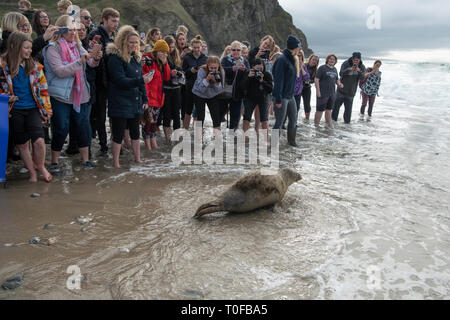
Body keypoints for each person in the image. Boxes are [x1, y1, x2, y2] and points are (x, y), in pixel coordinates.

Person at [43, 15, 101, 171]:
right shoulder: (52, 48)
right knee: (61, 127)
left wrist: (95, 58)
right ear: (61, 29)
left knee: (83, 126)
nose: (72, 32)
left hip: (81, 93)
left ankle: (85, 160)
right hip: (60, 95)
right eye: (69, 29)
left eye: (74, 29)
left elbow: (89, 63)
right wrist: (80, 61)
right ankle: (54, 160)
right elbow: (60, 71)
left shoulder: (77, 45)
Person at [0, 31, 52, 182]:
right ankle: (32, 173)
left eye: (30, 48)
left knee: (39, 141)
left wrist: (47, 109)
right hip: (14, 110)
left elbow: (43, 89)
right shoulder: (3, 66)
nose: (30, 51)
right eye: (26, 48)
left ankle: (41, 167)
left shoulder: (34, 65)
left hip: (33, 108)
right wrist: (6, 97)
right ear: (14, 47)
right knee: (22, 145)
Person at [106, 25, 150, 168]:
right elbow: (119, 80)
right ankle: (116, 163)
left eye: (136, 42)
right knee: (118, 134)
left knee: (136, 133)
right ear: (123, 41)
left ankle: (137, 159)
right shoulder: (115, 58)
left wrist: (145, 98)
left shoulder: (136, 58)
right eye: (131, 42)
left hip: (135, 100)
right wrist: (140, 81)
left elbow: (141, 80)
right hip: (119, 100)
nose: (134, 45)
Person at [89, 7, 120, 155]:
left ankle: (113, 143)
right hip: (98, 81)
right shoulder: (96, 35)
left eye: (117, 21)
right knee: (98, 116)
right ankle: (102, 146)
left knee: (112, 114)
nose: (115, 24)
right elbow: (93, 59)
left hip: (111, 81)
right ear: (104, 19)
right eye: (113, 21)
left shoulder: (114, 36)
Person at [272, 35, 302, 147]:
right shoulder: (282, 60)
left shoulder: (292, 59)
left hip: (290, 96)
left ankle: (292, 143)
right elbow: (278, 81)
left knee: (294, 120)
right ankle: (274, 146)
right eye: (299, 47)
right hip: (281, 96)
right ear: (294, 47)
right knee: (279, 122)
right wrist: (278, 100)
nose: (300, 49)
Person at [142, 39, 171, 149]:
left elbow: (167, 77)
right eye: (162, 52)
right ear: (156, 51)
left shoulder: (161, 64)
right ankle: (148, 146)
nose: (164, 54)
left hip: (158, 99)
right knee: (147, 123)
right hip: (149, 98)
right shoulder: (148, 60)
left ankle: (153, 145)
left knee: (153, 123)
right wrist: (145, 98)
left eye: (166, 52)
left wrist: (165, 63)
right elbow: (145, 78)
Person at [240, 58, 273, 139]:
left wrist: (262, 81)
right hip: (250, 98)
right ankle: (245, 140)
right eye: (257, 69)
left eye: (261, 68)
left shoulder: (267, 74)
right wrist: (248, 77)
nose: (259, 71)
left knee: (264, 120)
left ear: (263, 67)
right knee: (246, 119)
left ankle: (266, 141)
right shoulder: (248, 73)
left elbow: (270, 89)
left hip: (263, 98)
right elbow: (242, 87)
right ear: (253, 67)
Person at [220, 41, 249, 130]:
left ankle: (232, 137)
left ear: (241, 51)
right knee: (220, 113)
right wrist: (231, 69)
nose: (236, 52)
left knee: (235, 115)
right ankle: (217, 136)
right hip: (225, 91)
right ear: (230, 50)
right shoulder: (225, 59)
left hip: (238, 92)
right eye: (234, 50)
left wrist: (245, 70)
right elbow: (220, 70)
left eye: (238, 50)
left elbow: (249, 74)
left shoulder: (244, 61)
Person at [192, 56, 225, 130]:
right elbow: (201, 89)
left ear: (218, 66)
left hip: (213, 95)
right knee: (200, 117)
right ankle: (198, 138)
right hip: (199, 94)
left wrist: (216, 82)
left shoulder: (222, 71)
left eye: (215, 68)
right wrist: (207, 79)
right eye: (211, 68)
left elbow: (219, 90)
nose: (213, 70)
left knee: (216, 117)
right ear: (207, 66)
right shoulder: (202, 70)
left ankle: (218, 139)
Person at [331, 52, 366, 124]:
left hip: (351, 93)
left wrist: (359, 71)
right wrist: (349, 69)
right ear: (352, 59)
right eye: (354, 60)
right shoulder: (346, 63)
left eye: (357, 60)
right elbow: (340, 73)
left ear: (359, 60)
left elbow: (363, 79)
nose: (355, 61)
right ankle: (332, 125)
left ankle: (346, 128)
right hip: (341, 91)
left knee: (348, 112)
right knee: (335, 109)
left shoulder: (362, 66)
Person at [182, 36, 207, 129]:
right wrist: (190, 71)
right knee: (188, 110)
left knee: (200, 112)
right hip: (190, 87)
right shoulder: (187, 58)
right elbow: (183, 72)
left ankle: (199, 133)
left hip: (201, 88)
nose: (196, 49)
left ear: (201, 47)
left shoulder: (205, 58)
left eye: (198, 47)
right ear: (191, 47)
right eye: (195, 47)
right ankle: (185, 131)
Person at [162, 35, 183, 142]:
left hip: (176, 88)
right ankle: (167, 138)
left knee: (176, 114)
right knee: (167, 114)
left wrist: (179, 73)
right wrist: (170, 73)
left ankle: (176, 137)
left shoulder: (176, 56)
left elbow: (180, 69)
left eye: (173, 47)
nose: (171, 49)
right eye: (169, 47)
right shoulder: (162, 57)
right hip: (166, 88)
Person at [281, 49, 310, 128]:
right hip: (289, 90)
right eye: (297, 54)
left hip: (298, 91)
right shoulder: (290, 64)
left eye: (300, 55)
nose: (298, 56)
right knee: (285, 109)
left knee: (296, 108)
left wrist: (301, 68)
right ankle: (282, 123)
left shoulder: (303, 66)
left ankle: (293, 123)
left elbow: (307, 78)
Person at [314, 54, 343, 126]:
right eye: (330, 59)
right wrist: (318, 91)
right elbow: (316, 80)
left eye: (333, 59)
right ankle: (316, 125)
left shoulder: (334, 69)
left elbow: (336, 79)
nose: (332, 60)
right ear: (327, 60)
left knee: (329, 110)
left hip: (332, 93)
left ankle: (328, 125)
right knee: (320, 110)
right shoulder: (322, 68)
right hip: (322, 93)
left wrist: (340, 84)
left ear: (335, 61)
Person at [301, 54, 319, 121]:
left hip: (307, 87)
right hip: (299, 86)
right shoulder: (304, 65)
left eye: (316, 61)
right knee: (295, 103)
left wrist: (310, 81)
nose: (314, 61)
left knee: (307, 104)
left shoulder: (316, 70)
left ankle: (307, 119)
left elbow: (315, 80)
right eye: (313, 59)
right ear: (310, 59)